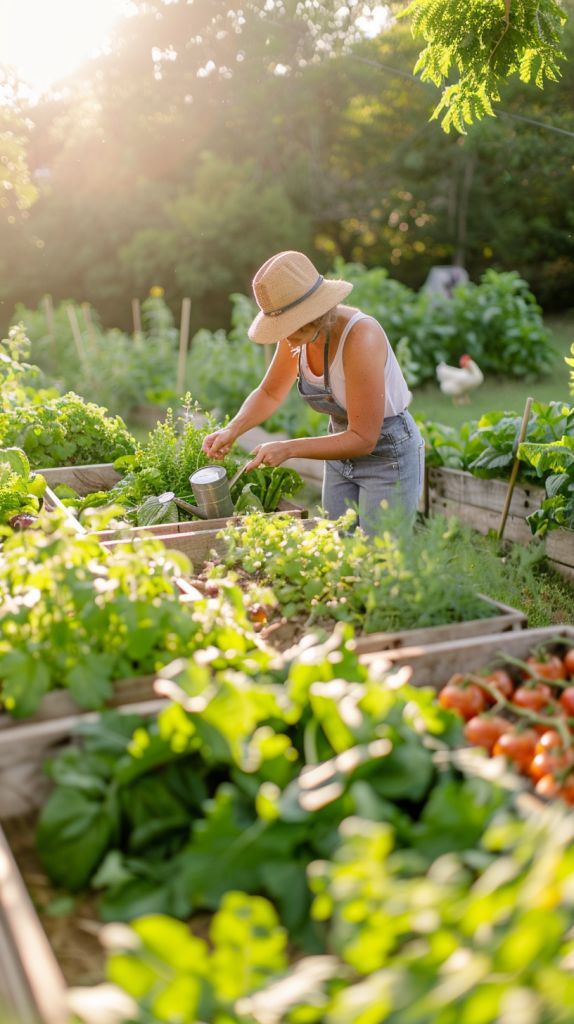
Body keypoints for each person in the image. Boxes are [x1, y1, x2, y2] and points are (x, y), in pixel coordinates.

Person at [202, 250, 425, 535]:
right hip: (338, 450)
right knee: (335, 549)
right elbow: (270, 392)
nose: (284, 336)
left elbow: (363, 438)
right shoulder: (296, 333)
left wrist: (288, 448)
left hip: (387, 455)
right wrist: (232, 429)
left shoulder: (360, 337)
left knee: (380, 562)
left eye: (288, 325)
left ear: (314, 313)